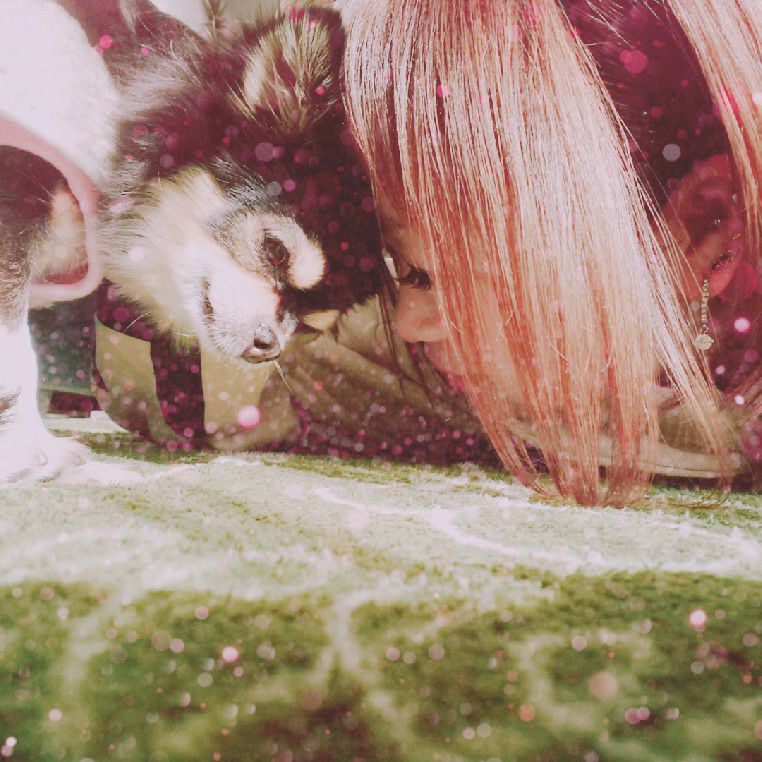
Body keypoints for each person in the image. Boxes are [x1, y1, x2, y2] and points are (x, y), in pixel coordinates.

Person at [94, 0, 760, 503]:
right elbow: (166, 399)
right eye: (402, 271)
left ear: (705, 226)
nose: (411, 324)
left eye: (430, 276)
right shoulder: (390, 370)